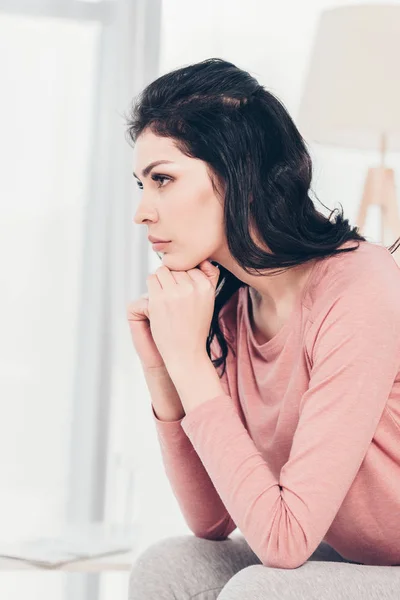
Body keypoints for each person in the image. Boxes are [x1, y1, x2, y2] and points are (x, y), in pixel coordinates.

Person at [125, 58, 400, 599]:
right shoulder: (228, 311)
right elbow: (211, 521)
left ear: (239, 175)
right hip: (360, 557)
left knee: (262, 590)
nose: (141, 212)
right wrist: (164, 370)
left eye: (162, 179)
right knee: (171, 565)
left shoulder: (361, 285)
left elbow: (284, 542)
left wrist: (188, 359)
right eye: (141, 183)